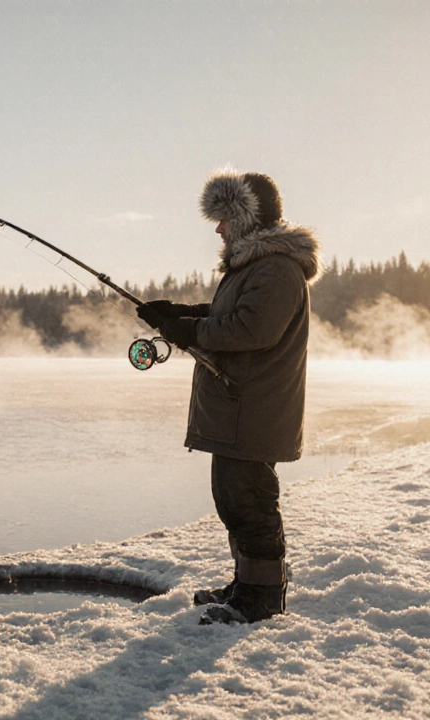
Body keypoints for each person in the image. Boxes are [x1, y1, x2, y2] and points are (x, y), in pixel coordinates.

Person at [136, 169, 321, 625]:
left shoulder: (277, 268)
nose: (218, 228)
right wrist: (179, 314)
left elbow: (251, 329)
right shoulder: (255, 267)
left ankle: (261, 599)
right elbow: (229, 314)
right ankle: (247, 585)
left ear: (246, 218)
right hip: (240, 407)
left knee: (250, 504)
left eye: (224, 219)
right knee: (234, 500)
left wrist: (190, 330)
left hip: (254, 409)